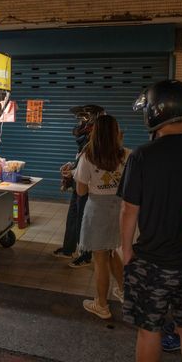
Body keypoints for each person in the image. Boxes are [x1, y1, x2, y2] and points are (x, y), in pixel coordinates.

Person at [118, 80, 182, 362]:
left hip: (152, 261)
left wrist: (126, 249)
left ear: (155, 111)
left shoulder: (142, 156)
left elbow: (129, 208)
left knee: (149, 330)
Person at [74, 115, 127, 319]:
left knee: (100, 259)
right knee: (112, 251)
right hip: (119, 209)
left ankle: (102, 305)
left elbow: (80, 191)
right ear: (116, 132)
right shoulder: (126, 155)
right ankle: (124, 292)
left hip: (97, 210)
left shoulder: (88, 156)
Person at [53, 105, 105, 269]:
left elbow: (94, 164)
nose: (80, 122)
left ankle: (85, 254)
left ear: (93, 118)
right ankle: (69, 249)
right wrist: (73, 166)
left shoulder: (99, 138)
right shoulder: (87, 136)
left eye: (84, 117)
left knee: (83, 218)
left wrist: (75, 170)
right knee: (73, 215)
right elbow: (82, 157)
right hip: (79, 180)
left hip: (89, 185)